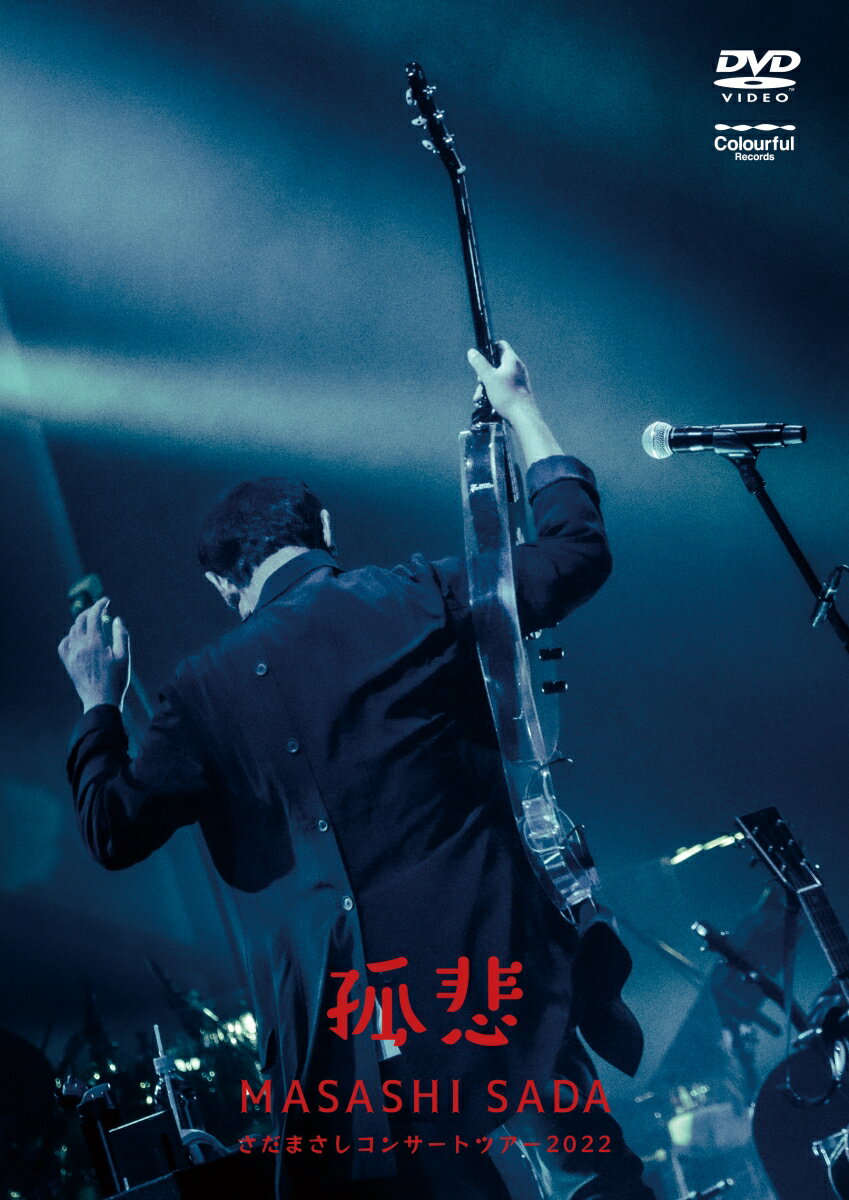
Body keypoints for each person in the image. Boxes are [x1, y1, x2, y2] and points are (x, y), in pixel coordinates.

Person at [59, 343, 653, 1199]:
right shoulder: (417, 596)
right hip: (497, 987)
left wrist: (99, 703)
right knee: (594, 1182)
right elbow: (576, 555)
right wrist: (519, 407)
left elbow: (113, 828)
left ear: (224, 584)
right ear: (324, 530)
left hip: (367, 1044)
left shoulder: (202, 692)